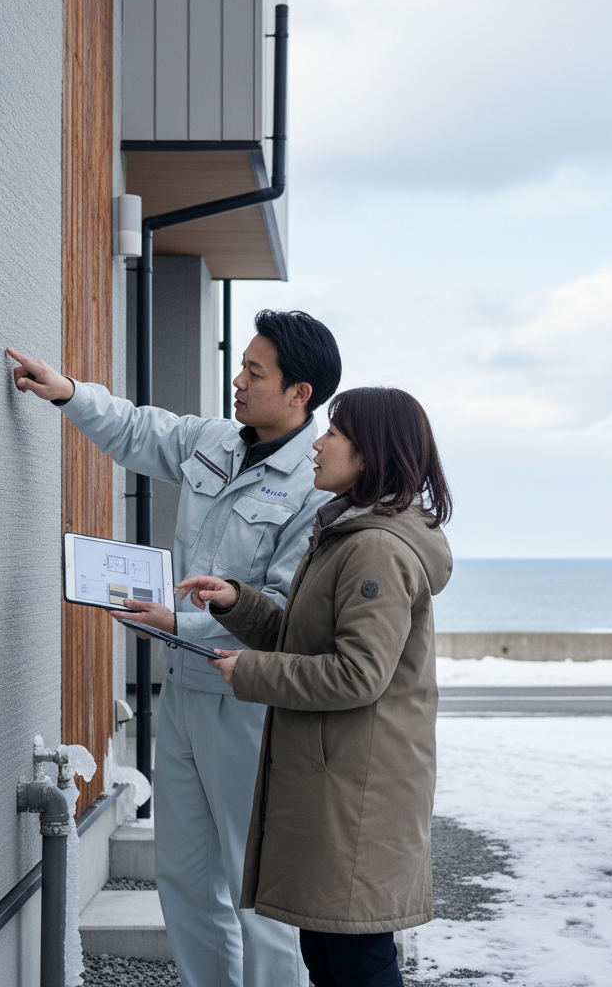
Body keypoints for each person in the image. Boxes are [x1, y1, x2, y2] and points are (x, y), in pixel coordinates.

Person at [7, 310, 342, 987]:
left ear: (299, 393)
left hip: (249, 703)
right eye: (242, 364)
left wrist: (176, 623)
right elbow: (137, 428)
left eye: (255, 371)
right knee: (184, 881)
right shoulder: (215, 441)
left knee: (259, 893)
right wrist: (69, 391)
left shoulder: (315, 490)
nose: (238, 381)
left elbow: (279, 611)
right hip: (182, 695)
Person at [175, 387, 454, 987]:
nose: (317, 445)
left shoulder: (375, 548)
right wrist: (237, 601)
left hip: (357, 795)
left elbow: (358, 673)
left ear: (369, 454)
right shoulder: (346, 533)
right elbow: (304, 636)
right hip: (335, 786)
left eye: (334, 434)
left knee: (357, 964)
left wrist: (249, 672)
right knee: (327, 958)